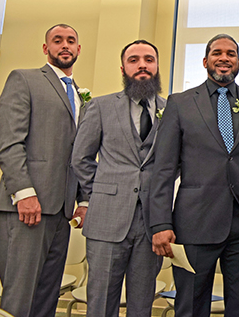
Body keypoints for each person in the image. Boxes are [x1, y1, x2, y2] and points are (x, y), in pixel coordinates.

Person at [149, 34, 239, 317]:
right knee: (191, 307)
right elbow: (164, 168)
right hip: (194, 223)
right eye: (217, 53)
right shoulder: (180, 103)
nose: (224, 58)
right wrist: (160, 222)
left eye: (231, 53)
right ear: (206, 61)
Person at [0, 23, 88, 317]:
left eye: (70, 41)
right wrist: (24, 193)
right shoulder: (25, 79)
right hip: (27, 208)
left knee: (47, 297)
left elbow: (81, 153)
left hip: (62, 212)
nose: (65, 45)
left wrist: (83, 201)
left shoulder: (81, 96)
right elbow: (10, 143)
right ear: (46, 48)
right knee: (20, 298)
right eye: (57, 41)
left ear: (78, 49)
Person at [72, 40, 165, 317]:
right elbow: (81, 158)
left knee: (142, 303)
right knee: (101, 302)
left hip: (151, 221)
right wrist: (100, 193)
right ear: (123, 68)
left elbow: (175, 162)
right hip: (106, 219)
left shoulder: (171, 108)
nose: (142, 66)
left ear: (157, 66)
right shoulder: (100, 107)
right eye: (134, 60)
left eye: (149, 59)